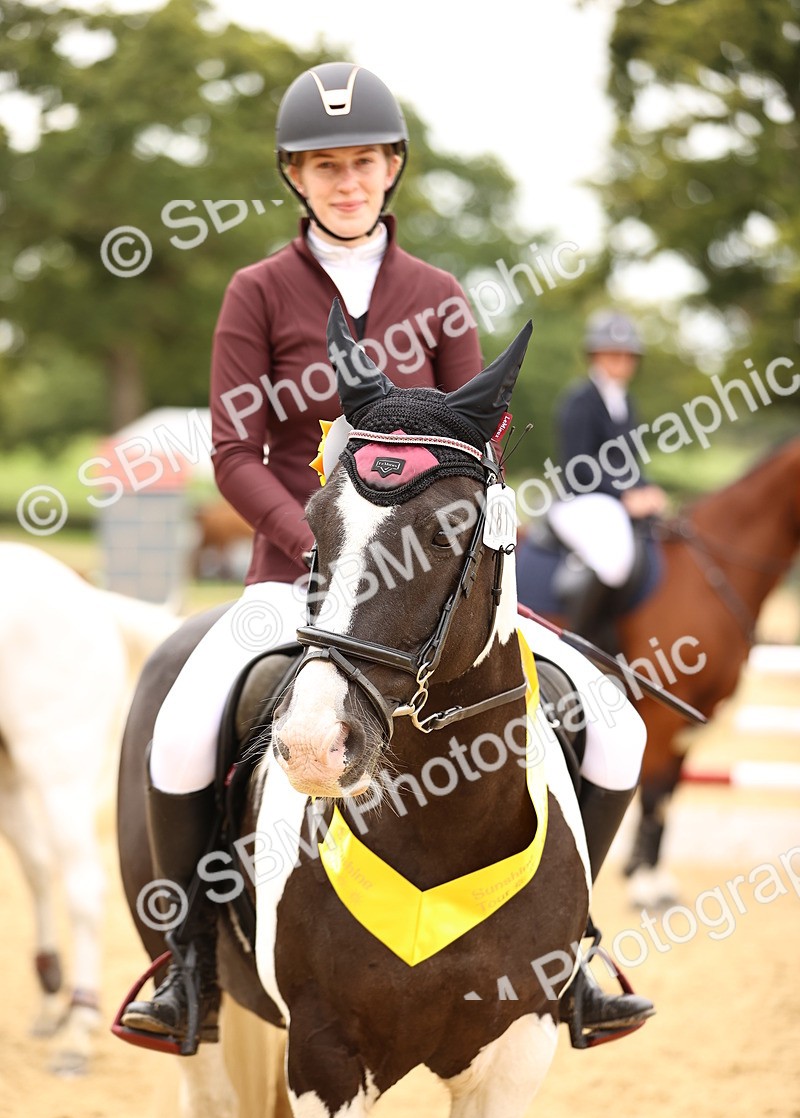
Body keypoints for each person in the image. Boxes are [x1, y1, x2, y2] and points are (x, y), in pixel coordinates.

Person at [119, 63, 653, 1053]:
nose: (346, 181)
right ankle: (186, 967)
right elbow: (235, 452)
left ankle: (569, 952)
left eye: (362, 161)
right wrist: (311, 544)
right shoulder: (257, 293)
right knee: (181, 727)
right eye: (324, 167)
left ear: (391, 167)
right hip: (292, 581)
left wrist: (438, 558)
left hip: (430, 596)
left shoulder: (440, 298)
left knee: (614, 720)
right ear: (293, 177)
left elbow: (479, 454)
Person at [547, 309, 668, 650]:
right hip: (580, 498)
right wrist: (623, 496)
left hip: (611, 499)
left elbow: (629, 461)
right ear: (595, 355)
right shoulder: (579, 400)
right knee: (614, 560)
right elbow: (578, 465)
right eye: (612, 353)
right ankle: (580, 638)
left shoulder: (627, 402)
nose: (620, 361)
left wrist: (646, 489)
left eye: (627, 355)